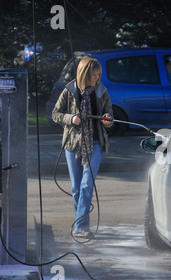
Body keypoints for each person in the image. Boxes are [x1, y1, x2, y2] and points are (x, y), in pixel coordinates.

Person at [52, 57, 113, 239]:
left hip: (95, 143)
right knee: (76, 188)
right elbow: (55, 114)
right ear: (84, 74)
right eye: (94, 75)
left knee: (87, 185)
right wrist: (71, 119)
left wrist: (107, 118)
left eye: (98, 75)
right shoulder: (70, 90)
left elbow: (110, 117)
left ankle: (80, 227)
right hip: (72, 144)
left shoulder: (101, 91)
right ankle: (82, 223)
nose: (96, 78)